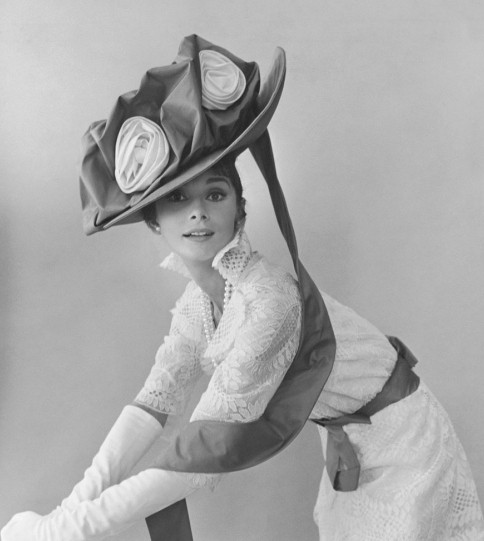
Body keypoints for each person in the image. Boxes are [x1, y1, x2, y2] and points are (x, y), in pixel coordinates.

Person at [2, 34, 483, 541]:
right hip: (348, 442)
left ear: (239, 209)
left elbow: (202, 454)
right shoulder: (196, 306)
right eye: (177, 199)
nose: (197, 212)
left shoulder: (268, 301)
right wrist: (65, 511)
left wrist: (66, 530)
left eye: (215, 194)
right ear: (153, 221)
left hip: (405, 439)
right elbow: (153, 405)